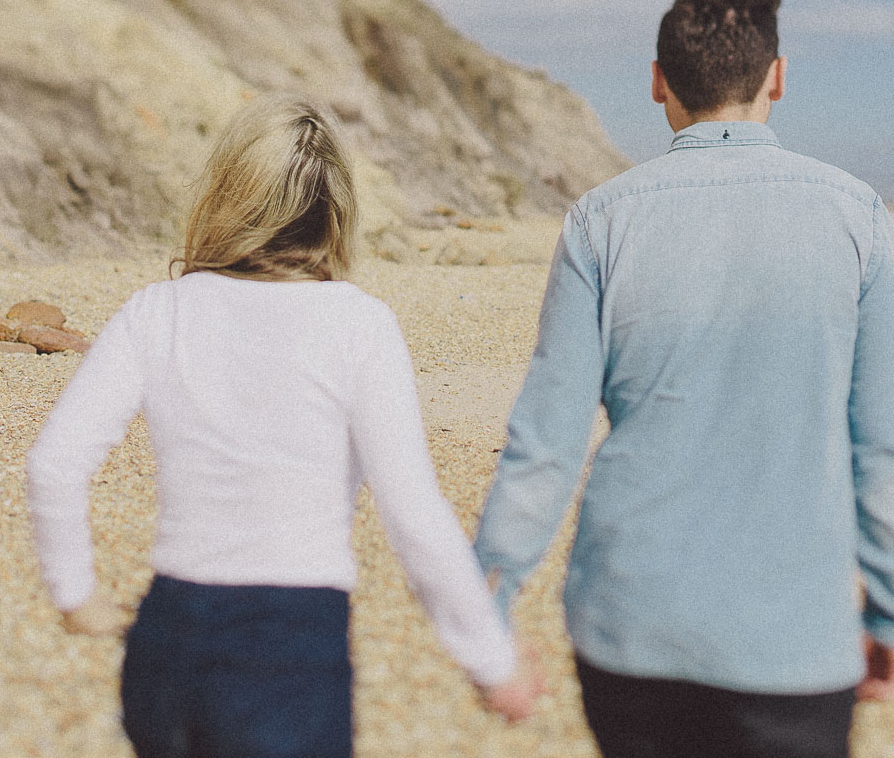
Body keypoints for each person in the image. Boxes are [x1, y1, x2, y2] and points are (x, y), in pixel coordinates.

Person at [473, 0, 894, 758]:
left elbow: (543, 444)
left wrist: (489, 605)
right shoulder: (854, 215)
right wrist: (893, 608)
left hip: (630, 622)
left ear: (659, 83)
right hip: (794, 635)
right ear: (777, 78)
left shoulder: (601, 221)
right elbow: (891, 448)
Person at [27, 97, 542, 758]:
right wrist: (493, 666)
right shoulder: (359, 326)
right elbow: (413, 514)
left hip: (170, 637)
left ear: (227, 195)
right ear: (339, 208)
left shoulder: (158, 311)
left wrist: (76, 594)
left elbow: (55, 463)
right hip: (290, 644)